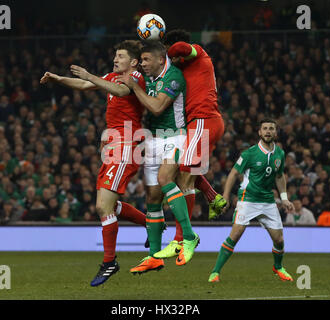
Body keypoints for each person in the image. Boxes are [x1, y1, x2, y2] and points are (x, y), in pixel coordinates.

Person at [40, 40, 147, 287]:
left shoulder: (136, 77)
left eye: (120, 56)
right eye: (115, 55)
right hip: (113, 144)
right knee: (109, 205)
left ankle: (110, 262)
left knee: (103, 207)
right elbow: (85, 84)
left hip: (127, 142)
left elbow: (121, 91)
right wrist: (59, 79)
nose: (115, 59)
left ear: (132, 61)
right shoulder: (111, 76)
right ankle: (152, 223)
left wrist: (91, 75)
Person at [118, 40, 200, 272]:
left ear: (159, 59)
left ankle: (189, 237)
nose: (142, 64)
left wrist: (134, 87)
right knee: (153, 198)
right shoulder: (147, 77)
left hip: (175, 136)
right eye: (141, 60)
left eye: (146, 60)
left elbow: (156, 107)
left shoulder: (173, 76)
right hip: (153, 139)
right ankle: (154, 256)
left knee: (165, 179)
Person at [153, 29, 227, 260]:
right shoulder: (185, 68)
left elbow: (182, 48)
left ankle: (181, 240)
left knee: (184, 176)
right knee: (181, 171)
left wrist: (166, 50)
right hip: (201, 124)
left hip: (203, 121)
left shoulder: (198, 52)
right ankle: (214, 197)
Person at [208, 118, 295, 283]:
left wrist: (284, 198)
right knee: (236, 233)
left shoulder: (280, 154)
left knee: (279, 240)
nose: (268, 131)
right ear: (259, 132)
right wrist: (226, 196)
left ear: (275, 132)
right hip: (248, 198)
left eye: (271, 128)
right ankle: (215, 272)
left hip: (268, 200)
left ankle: (278, 267)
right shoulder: (249, 153)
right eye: (265, 129)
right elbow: (233, 173)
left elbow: (279, 176)